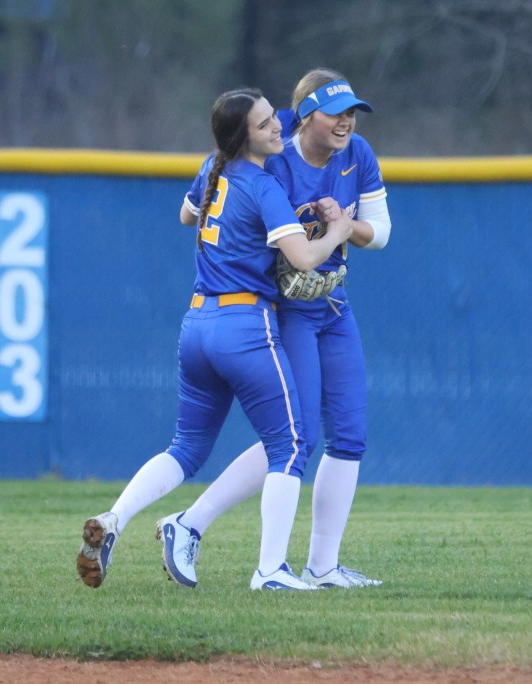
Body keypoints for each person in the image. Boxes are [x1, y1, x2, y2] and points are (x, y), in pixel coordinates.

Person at [75, 87, 353, 591]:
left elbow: (187, 215)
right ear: (242, 137)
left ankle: (115, 518)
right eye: (265, 124)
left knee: (186, 447)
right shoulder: (263, 185)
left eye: (274, 117)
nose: (277, 127)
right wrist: (337, 230)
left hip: (198, 324)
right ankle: (271, 570)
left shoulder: (214, 167)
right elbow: (306, 258)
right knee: (291, 444)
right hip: (245, 326)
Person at [156, 68, 391, 589]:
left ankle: (323, 566)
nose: (346, 122)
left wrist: (344, 226)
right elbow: (210, 188)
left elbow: (381, 233)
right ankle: (193, 522)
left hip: (333, 304)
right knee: (294, 435)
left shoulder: (358, 153)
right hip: (287, 310)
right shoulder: (272, 147)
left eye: (352, 112)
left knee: (349, 434)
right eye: (335, 112)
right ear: (305, 115)